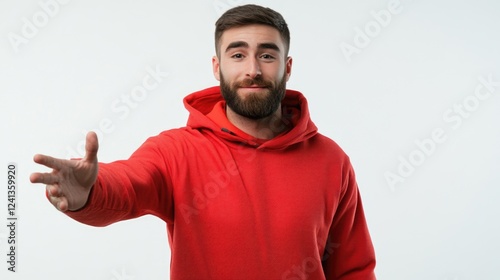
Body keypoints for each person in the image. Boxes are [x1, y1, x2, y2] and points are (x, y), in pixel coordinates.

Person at [31, 4, 376, 279]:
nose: (253, 69)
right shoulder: (175, 151)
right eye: (237, 55)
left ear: (287, 67)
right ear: (217, 67)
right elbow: (130, 183)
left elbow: (352, 268)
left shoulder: (332, 160)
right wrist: (90, 192)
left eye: (267, 55)